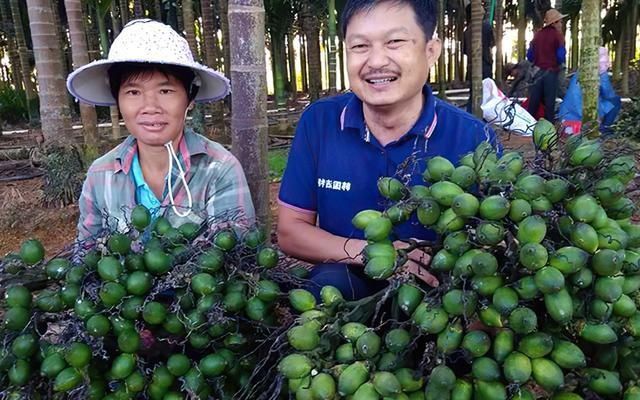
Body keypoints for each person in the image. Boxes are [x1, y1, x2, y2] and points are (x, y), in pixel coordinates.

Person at [277, 0, 499, 300]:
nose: (376, 61)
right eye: (360, 46)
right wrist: (374, 254)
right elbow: (291, 231)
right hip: (348, 281)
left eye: (394, 42)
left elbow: (496, 243)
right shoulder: (320, 123)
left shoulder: (473, 137)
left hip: (439, 293)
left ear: (431, 51)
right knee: (327, 286)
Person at [66, 19, 255, 242]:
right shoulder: (100, 176)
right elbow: (86, 255)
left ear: (190, 98)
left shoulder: (219, 169)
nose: (150, 107)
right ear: (117, 100)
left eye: (165, 91)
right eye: (133, 93)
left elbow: (235, 255)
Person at [526, 8, 567, 123]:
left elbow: (530, 56)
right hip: (551, 73)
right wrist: (559, 64)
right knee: (549, 103)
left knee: (533, 102)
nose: (561, 24)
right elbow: (560, 56)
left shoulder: (537, 35)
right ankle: (549, 130)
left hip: (537, 73)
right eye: (560, 21)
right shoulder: (558, 36)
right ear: (554, 22)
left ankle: (527, 127)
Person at [462, 4, 495, 81]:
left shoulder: (467, 30)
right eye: (480, 6)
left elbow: (465, 51)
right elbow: (493, 42)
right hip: (485, 65)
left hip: (471, 67)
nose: (483, 8)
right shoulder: (486, 26)